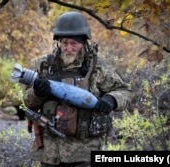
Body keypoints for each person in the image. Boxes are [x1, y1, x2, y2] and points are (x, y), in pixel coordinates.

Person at [23, 11, 132, 167]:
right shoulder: (43, 66)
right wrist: (37, 93)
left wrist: (111, 100)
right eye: (65, 43)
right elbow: (28, 102)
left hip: (85, 151)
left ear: (84, 43)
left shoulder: (97, 67)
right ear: (58, 42)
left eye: (74, 43)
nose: (68, 48)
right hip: (50, 152)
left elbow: (124, 91)